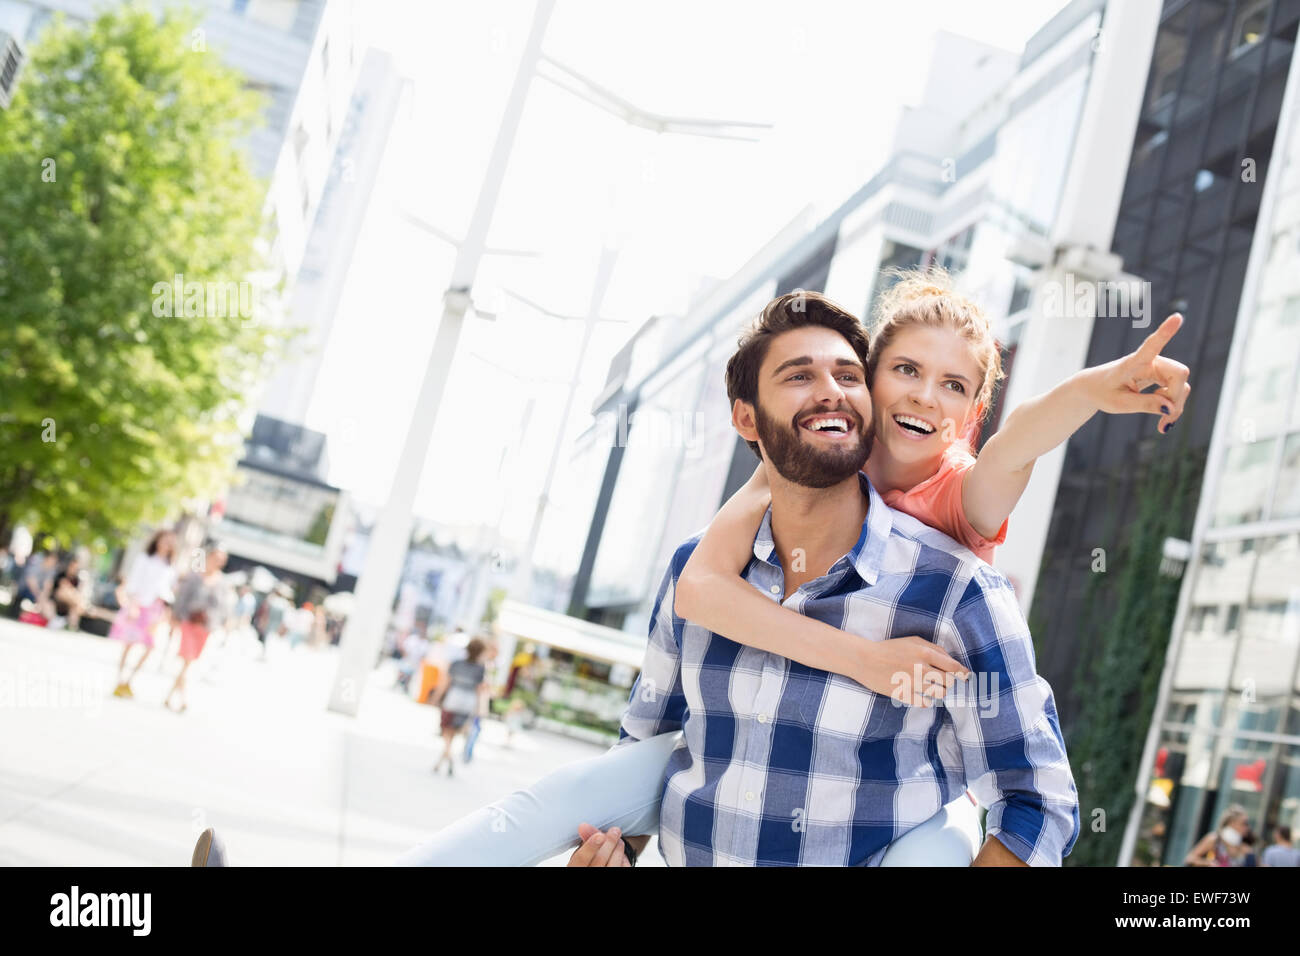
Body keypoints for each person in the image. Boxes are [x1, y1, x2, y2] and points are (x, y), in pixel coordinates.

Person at [393, 288, 1084, 867]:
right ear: (745, 420)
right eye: (798, 377)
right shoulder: (700, 566)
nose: (829, 393)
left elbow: (1038, 800)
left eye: (845, 375)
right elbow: (647, 745)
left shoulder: (959, 590)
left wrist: (1096, 392)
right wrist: (616, 853)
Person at [109, 529, 177, 698]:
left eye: (170, 542)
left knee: (150, 646)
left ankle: (129, 680)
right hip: (139, 605)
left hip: (155, 609)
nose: (166, 544)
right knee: (129, 644)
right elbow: (134, 583)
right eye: (164, 540)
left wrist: (164, 612)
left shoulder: (169, 567)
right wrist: (133, 605)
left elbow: (167, 590)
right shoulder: (145, 559)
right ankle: (120, 679)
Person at [165, 547, 229, 712]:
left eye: (221, 560)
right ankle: (183, 699)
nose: (218, 562)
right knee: (187, 658)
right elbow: (182, 598)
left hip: (205, 626)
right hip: (189, 621)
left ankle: (170, 696)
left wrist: (221, 623)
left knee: (189, 661)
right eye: (216, 558)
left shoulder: (221, 582)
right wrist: (175, 617)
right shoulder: (194, 576)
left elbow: (223, 607)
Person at [432, 637, 491, 777]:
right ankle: (440, 762)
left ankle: (449, 756)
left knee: (446, 731)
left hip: (453, 700)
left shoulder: (456, 664)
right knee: (452, 733)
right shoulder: (480, 669)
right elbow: (479, 690)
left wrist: (435, 698)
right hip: (468, 704)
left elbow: (445, 684)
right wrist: (479, 709)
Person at [1185, 805, 1253, 866]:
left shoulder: (1244, 847)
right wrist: (1208, 863)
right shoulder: (1214, 839)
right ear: (1232, 823)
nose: (1247, 827)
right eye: (1244, 823)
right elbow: (1190, 858)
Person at [50, 555, 89, 631]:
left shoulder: (76, 579)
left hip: (70, 603)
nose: (74, 569)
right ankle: (80, 605)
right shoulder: (61, 575)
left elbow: (77, 592)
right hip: (58, 600)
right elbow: (61, 589)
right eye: (72, 567)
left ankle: (73, 627)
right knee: (69, 594)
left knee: (74, 608)